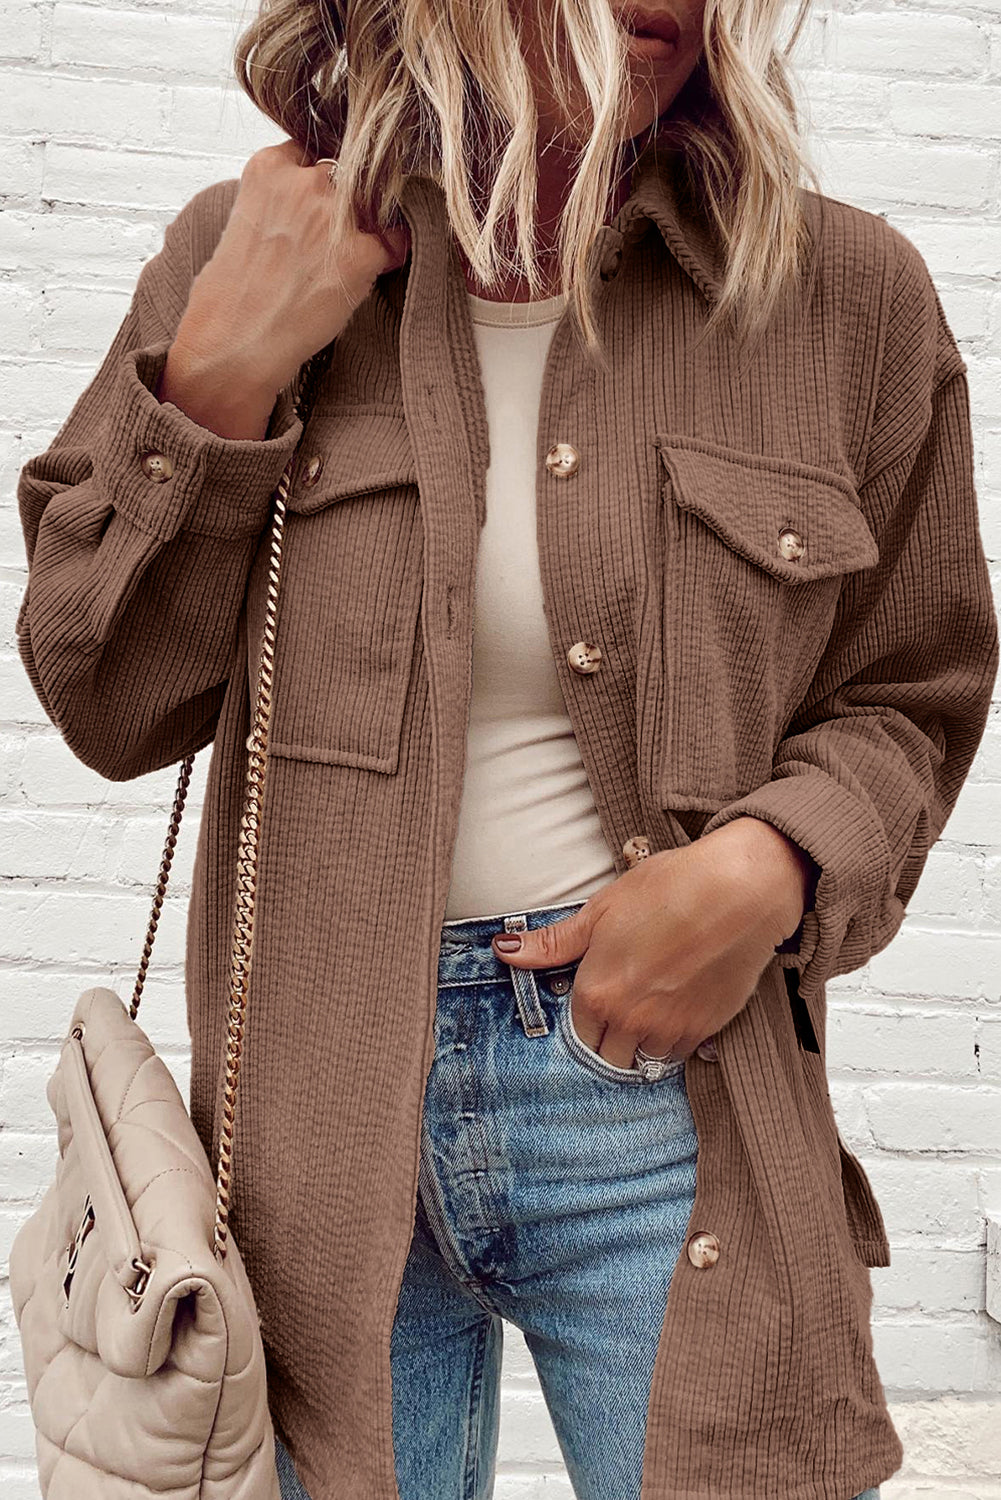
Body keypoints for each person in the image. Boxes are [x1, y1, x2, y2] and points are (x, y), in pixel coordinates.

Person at [14, 2, 997, 1498]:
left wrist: (771, 865)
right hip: (304, 1136)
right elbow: (108, 697)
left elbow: (913, 687)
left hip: (670, 1099)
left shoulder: (842, 295)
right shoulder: (244, 244)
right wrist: (217, 383)